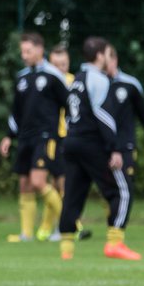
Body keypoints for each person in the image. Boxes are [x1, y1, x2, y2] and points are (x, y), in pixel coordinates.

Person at [57, 37, 139, 261]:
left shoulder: (77, 79)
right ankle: (115, 243)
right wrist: (114, 148)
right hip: (91, 143)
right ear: (101, 55)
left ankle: (66, 252)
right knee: (122, 190)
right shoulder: (98, 79)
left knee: (73, 194)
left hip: (72, 141)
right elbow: (103, 115)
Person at [0, 32, 66, 242]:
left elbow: (70, 105)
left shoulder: (54, 76)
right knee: (25, 184)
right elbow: (16, 112)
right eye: (22, 51)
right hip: (25, 138)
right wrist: (9, 136)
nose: (24, 55)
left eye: (28, 51)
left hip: (46, 136)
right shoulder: (22, 77)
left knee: (39, 181)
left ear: (39, 50)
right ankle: (26, 234)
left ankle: (69, 221)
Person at [101, 44, 144, 256]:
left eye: (106, 58)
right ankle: (113, 240)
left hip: (125, 148)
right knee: (111, 193)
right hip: (100, 149)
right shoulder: (95, 84)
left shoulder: (129, 84)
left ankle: (115, 239)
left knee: (124, 191)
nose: (102, 62)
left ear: (114, 60)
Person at [50, 43, 92, 240]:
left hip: (70, 137)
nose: (60, 68)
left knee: (66, 183)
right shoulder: (47, 81)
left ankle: (71, 225)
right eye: (55, 64)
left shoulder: (74, 83)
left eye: (63, 64)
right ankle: (55, 227)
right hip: (52, 138)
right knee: (54, 184)